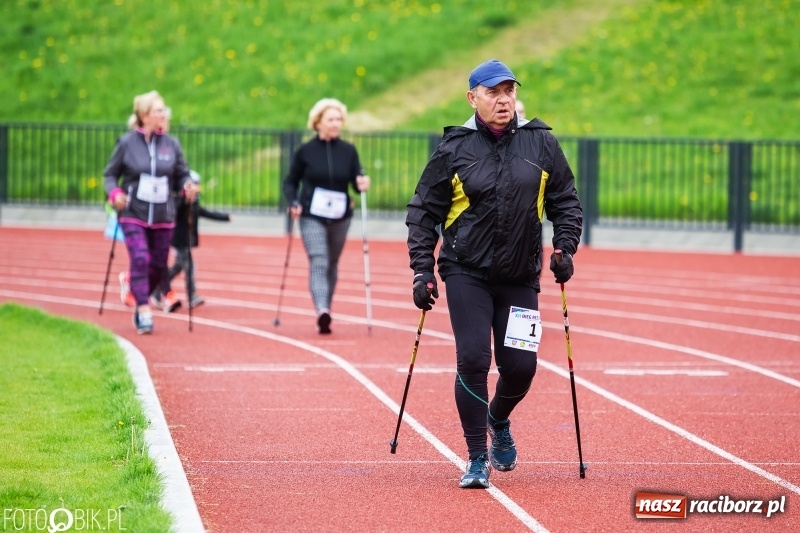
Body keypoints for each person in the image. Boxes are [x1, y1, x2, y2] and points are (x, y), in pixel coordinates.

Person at [405, 59, 582, 488]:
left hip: (521, 274)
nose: (504, 101)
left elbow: (565, 202)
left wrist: (564, 247)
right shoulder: (454, 148)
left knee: (521, 366)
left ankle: (497, 419)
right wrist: (422, 270)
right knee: (473, 359)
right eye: (493, 93)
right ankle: (477, 458)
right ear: (473, 98)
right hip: (466, 271)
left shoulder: (541, 143)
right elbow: (423, 213)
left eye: (509, 92)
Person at [104, 90, 198, 334]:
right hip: (133, 212)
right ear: (144, 115)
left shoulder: (171, 144)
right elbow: (110, 175)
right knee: (140, 258)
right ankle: (143, 310)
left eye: (163, 110)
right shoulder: (127, 144)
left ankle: (134, 287)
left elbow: (182, 174)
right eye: (158, 110)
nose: (163, 113)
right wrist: (115, 194)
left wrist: (187, 186)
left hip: (162, 216)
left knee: (158, 266)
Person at [283, 98, 371, 334]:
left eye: (338, 119)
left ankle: (326, 307)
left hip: (341, 216)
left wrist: (361, 182)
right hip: (311, 214)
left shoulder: (348, 150)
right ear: (318, 122)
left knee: (331, 263)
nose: (336, 123)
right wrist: (293, 202)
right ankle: (322, 309)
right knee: (319, 259)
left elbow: (355, 178)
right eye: (331, 119)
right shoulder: (305, 151)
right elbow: (291, 182)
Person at [154, 170, 231, 309]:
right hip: (179, 241)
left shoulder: (194, 203)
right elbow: (175, 211)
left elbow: (206, 213)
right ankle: (191, 296)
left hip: (187, 241)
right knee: (189, 267)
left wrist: (225, 217)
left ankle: (158, 287)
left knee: (178, 267)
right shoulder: (180, 202)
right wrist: (184, 200)